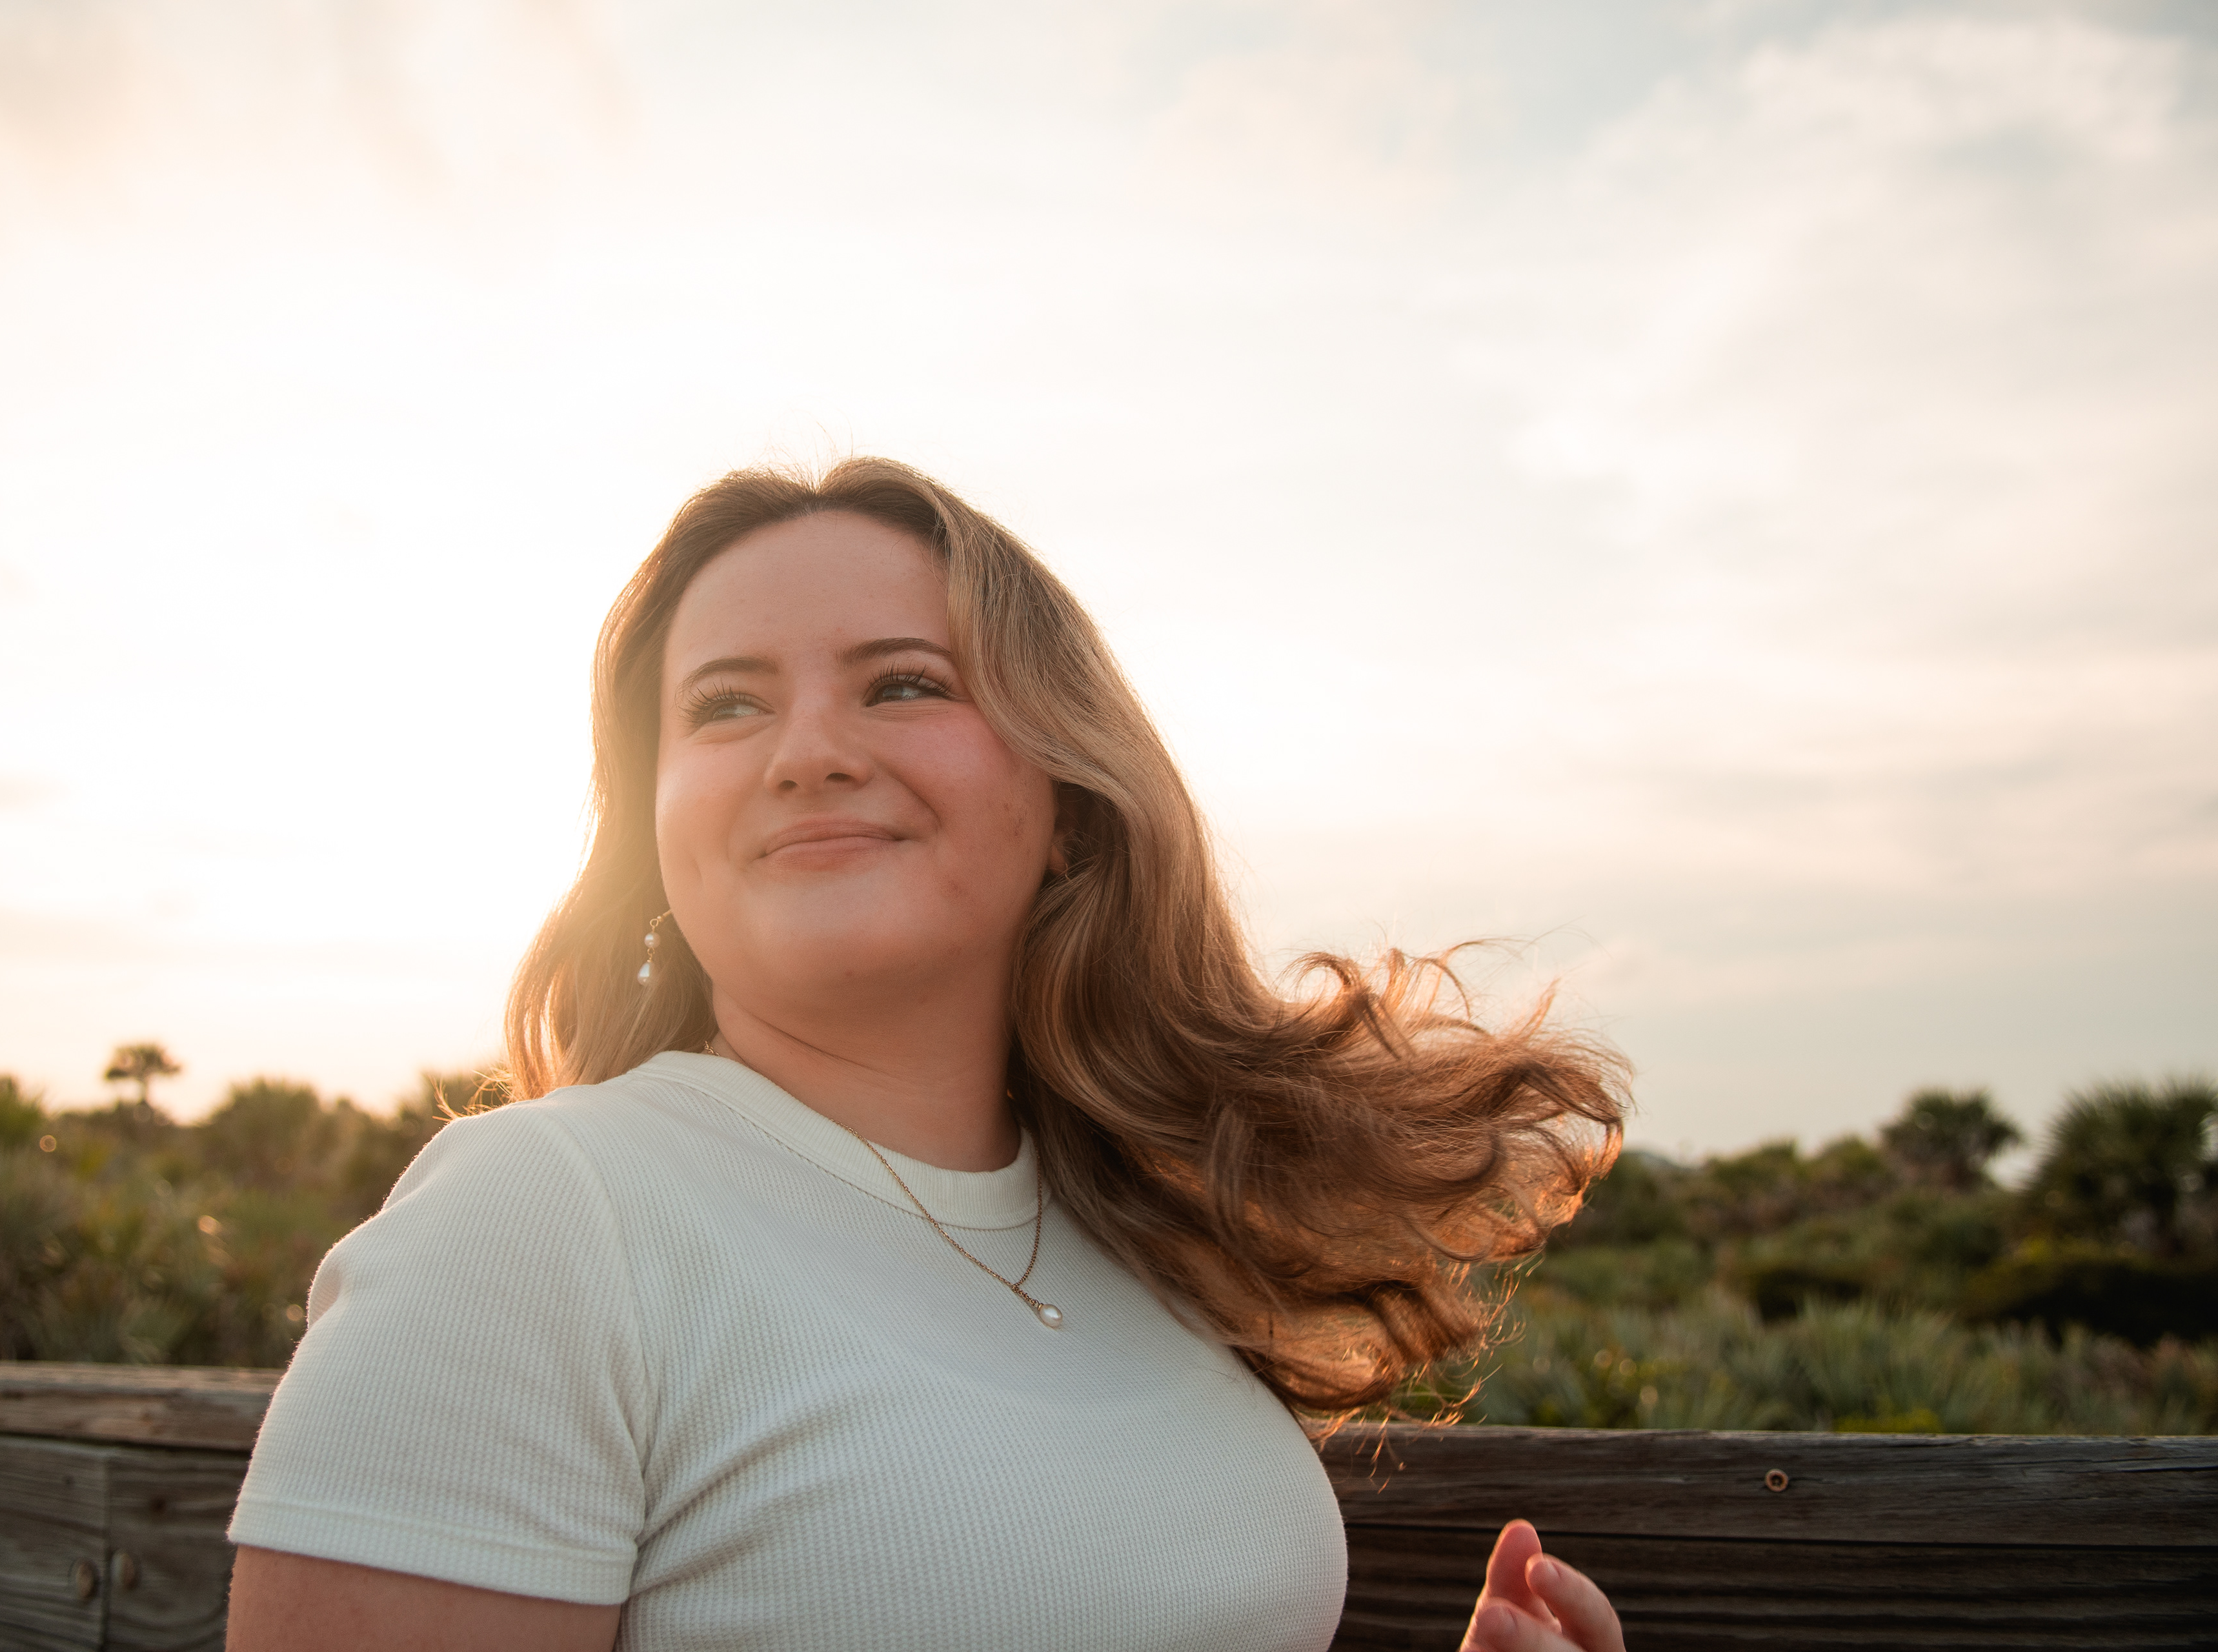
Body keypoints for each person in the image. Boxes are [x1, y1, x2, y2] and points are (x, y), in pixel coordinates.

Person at [225, 459, 1630, 1652]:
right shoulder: (542, 1217)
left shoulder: (1147, 1235)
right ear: (653, 832)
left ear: (1069, 796)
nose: (806, 750)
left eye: (902, 684)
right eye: (724, 703)